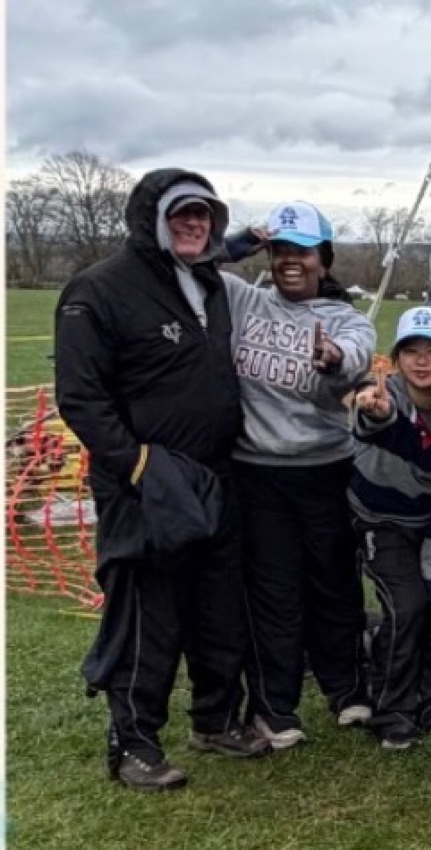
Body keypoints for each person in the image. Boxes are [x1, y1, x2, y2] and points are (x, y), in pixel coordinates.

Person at [56, 168, 270, 790]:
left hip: (216, 473)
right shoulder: (99, 290)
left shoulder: (208, 281)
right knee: (151, 614)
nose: (194, 223)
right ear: (150, 219)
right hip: (144, 482)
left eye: (203, 214)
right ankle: (134, 744)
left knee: (218, 606)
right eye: (181, 214)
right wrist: (139, 465)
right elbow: (82, 399)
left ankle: (215, 719)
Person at [223, 201, 376, 748]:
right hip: (257, 472)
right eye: (281, 250)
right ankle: (275, 706)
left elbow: (355, 356)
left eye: (303, 252)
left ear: (324, 259)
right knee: (273, 591)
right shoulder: (244, 301)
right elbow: (187, 267)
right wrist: (242, 241)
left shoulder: (345, 318)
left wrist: (333, 359)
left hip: (326, 468)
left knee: (334, 582)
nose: (292, 261)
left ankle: (348, 690)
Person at [347, 307, 431, 750]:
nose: (422, 361)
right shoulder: (384, 396)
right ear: (397, 357)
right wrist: (375, 411)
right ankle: (393, 707)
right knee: (405, 607)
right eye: (411, 351)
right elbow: (372, 416)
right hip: (381, 521)